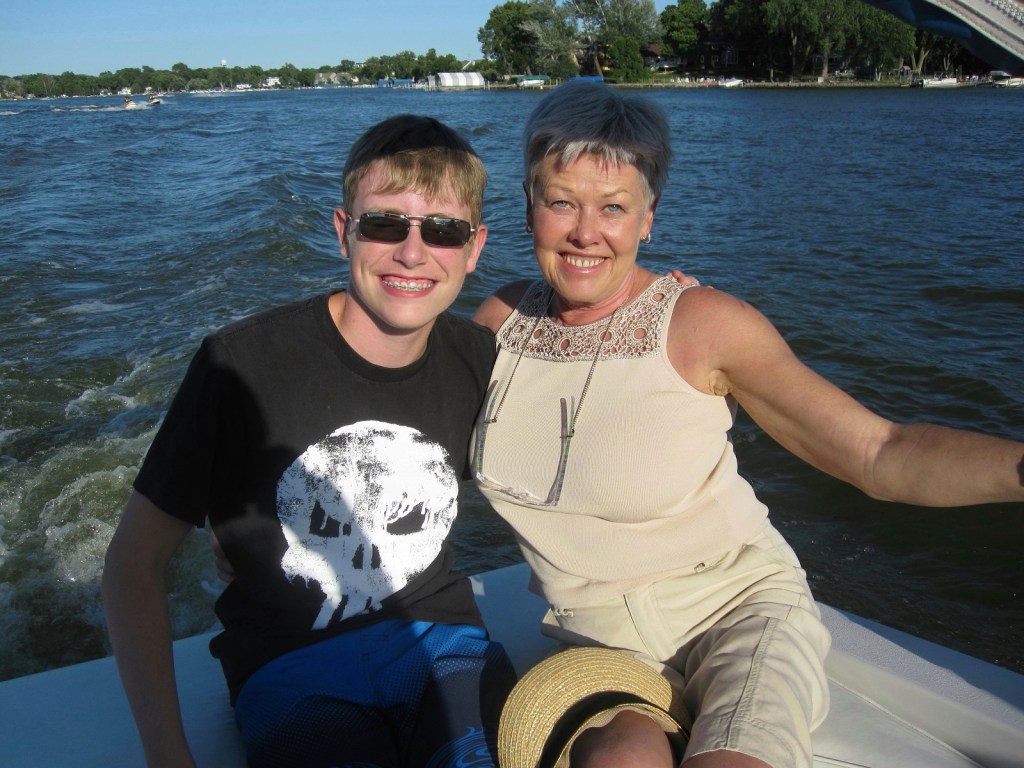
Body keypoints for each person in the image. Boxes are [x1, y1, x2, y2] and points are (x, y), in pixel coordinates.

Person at [470, 81, 1024, 768]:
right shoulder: (500, 323)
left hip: (737, 614)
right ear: (529, 205)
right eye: (562, 202)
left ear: (648, 219)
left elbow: (879, 452)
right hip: (596, 642)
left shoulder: (703, 325)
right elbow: (405, 416)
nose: (587, 232)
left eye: (614, 207)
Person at [102, 114, 519, 768]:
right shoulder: (239, 366)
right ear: (342, 229)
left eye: (443, 231)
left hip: (443, 644)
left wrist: (657, 294)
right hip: (290, 666)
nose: (413, 254)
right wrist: (166, 753)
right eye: (384, 224)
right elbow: (134, 562)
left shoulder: (478, 358)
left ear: (475, 248)